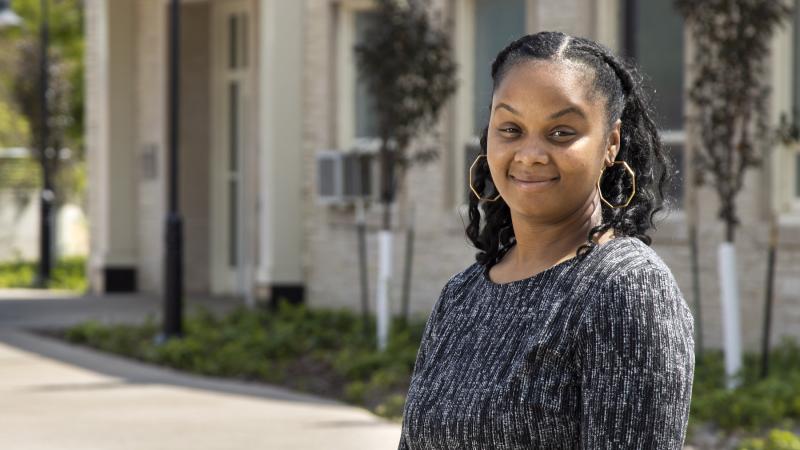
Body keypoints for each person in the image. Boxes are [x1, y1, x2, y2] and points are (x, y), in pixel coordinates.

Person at [397, 31, 695, 449]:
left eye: (561, 133)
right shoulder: (461, 295)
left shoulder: (625, 288)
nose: (530, 153)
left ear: (611, 143)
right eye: (511, 128)